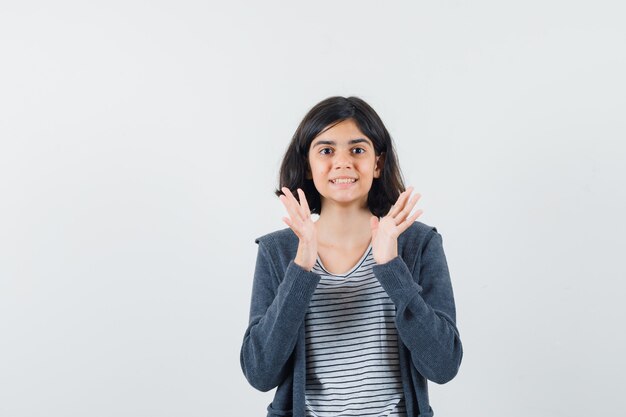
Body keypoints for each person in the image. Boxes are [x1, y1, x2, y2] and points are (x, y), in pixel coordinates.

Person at [240, 96, 462, 417]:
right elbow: (260, 373)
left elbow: (443, 365)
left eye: (357, 150)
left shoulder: (417, 243)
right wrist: (302, 266)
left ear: (378, 163)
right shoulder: (279, 252)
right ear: (307, 165)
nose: (342, 162)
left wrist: (391, 269)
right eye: (326, 150)